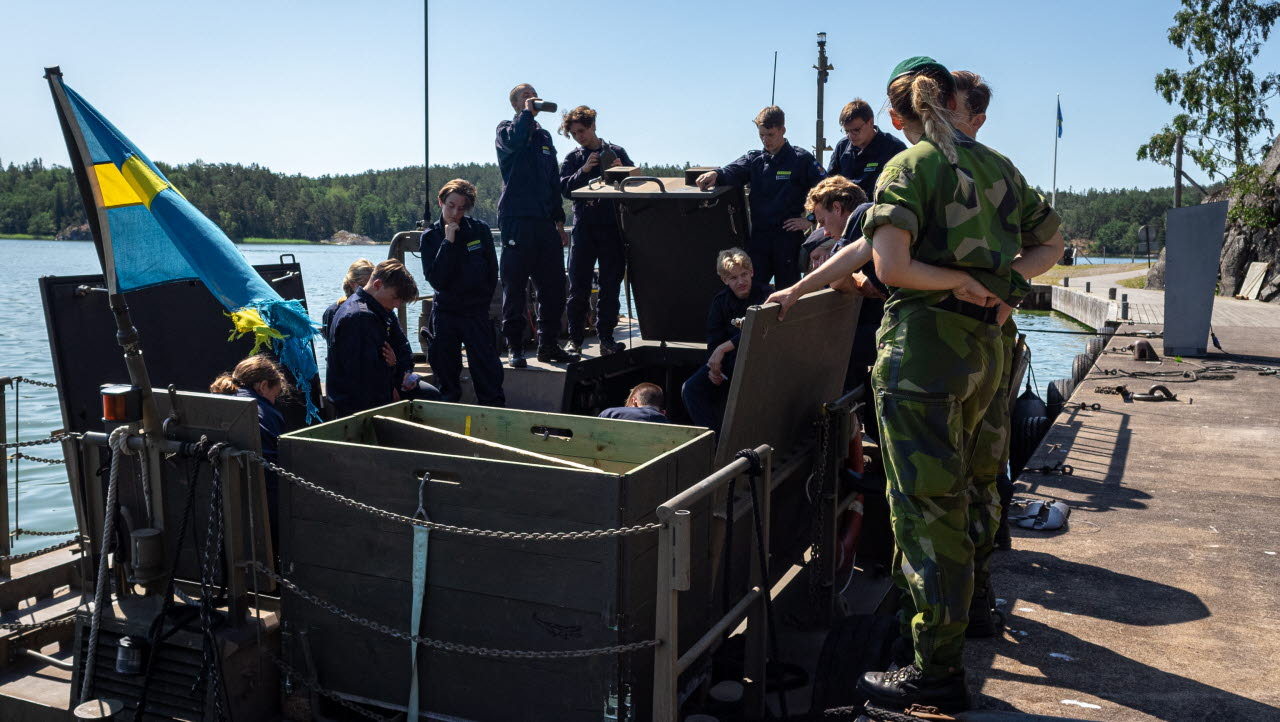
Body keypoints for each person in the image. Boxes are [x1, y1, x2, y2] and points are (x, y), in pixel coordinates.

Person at [950, 69, 1015, 634]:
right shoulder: (935, 170)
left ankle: (978, 596)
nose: (946, 117)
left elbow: (1049, 243)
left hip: (987, 344)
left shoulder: (994, 172)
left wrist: (1005, 291)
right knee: (952, 483)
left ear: (977, 118)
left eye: (956, 109)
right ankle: (962, 603)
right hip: (956, 344)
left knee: (981, 478)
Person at [695, 106, 825, 288]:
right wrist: (715, 174)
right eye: (761, 135)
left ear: (782, 130)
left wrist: (810, 219)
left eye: (770, 135)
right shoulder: (754, 160)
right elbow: (731, 171)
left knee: (788, 290)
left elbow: (827, 190)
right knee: (754, 288)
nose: (766, 140)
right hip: (759, 239)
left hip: (787, 238)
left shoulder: (801, 159)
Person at [496, 83, 576, 368]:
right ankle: (515, 348)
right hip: (517, 220)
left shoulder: (543, 136)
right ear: (517, 103)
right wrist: (526, 115)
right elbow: (516, 141)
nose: (533, 96)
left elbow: (553, 180)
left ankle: (548, 345)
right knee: (515, 287)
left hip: (545, 223)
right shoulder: (506, 129)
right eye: (525, 95)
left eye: (534, 93)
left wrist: (559, 221)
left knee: (553, 287)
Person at [421, 179, 506, 406]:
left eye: (461, 208)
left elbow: (491, 272)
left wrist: (481, 304)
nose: (455, 213)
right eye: (450, 205)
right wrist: (448, 241)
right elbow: (437, 280)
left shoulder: (479, 230)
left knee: (488, 375)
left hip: (475, 313)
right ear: (441, 201)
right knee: (447, 377)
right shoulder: (430, 238)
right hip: (446, 313)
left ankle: (495, 419)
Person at [559, 106, 634, 356]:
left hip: (612, 228)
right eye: (574, 133)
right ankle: (575, 339)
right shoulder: (573, 158)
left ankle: (607, 337)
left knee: (610, 285)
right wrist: (585, 171)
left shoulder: (616, 151)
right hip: (584, 229)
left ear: (592, 125)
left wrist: (621, 169)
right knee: (578, 286)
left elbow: (634, 183)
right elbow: (564, 189)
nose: (579, 136)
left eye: (582, 130)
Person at [327, 260, 439, 417]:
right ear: (377, 284)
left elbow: (400, 347)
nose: (398, 305)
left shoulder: (378, 309)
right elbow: (365, 376)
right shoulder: (361, 317)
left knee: (432, 396)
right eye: (395, 297)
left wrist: (402, 369)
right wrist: (393, 369)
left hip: (378, 387)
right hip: (359, 405)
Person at [680, 249, 772, 434]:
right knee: (690, 389)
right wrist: (714, 368)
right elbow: (714, 341)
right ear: (724, 280)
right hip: (729, 365)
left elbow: (761, 329)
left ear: (752, 272)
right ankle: (715, 443)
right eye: (733, 278)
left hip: (760, 362)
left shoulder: (767, 295)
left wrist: (725, 347)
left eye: (744, 274)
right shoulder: (720, 303)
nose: (741, 281)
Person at [211, 354, 288, 537]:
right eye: (274, 395)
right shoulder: (267, 414)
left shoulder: (216, 404)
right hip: (262, 501)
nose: (273, 402)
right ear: (263, 386)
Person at [827, 99, 909, 198]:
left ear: (870, 122)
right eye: (847, 131)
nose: (851, 136)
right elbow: (829, 184)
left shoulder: (894, 148)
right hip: (845, 211)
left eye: (856, 130)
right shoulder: (842, 147)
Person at [322, 259, 374, 343]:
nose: (368, 290)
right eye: (364, 286)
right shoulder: (332, 311)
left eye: (372, 286)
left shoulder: (379, 310)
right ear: (352, 284)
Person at [598, 382, 669, 423]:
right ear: (663, 412)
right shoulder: (666, 423)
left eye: (628, 407)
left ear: (634, 401)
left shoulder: (609, 414)